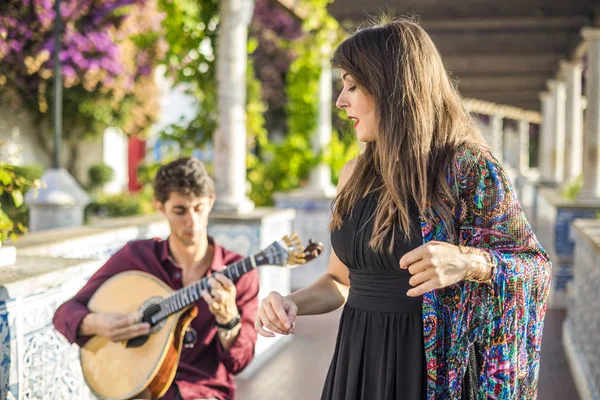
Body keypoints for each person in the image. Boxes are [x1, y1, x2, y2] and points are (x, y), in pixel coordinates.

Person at [255, 18, 552, 400]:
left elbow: (535, 266)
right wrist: (290, 303)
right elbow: (340, 281)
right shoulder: (354, 174)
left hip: (430, 372)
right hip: (357, 364)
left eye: (353, 86)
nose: (340, 100)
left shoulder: (468, 168)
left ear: (391, 87)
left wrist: (470, 262)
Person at [53, 157, 259, 400]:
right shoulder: (136, 258)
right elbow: (65, 313)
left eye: (198, 208)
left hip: (202, 392)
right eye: (180, 210)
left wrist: (228, 321)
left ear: (211, 202)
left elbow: (239, 363)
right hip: (136, 386)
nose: (191, 221)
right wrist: (99, 324)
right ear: (160, 207)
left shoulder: (238, 271)